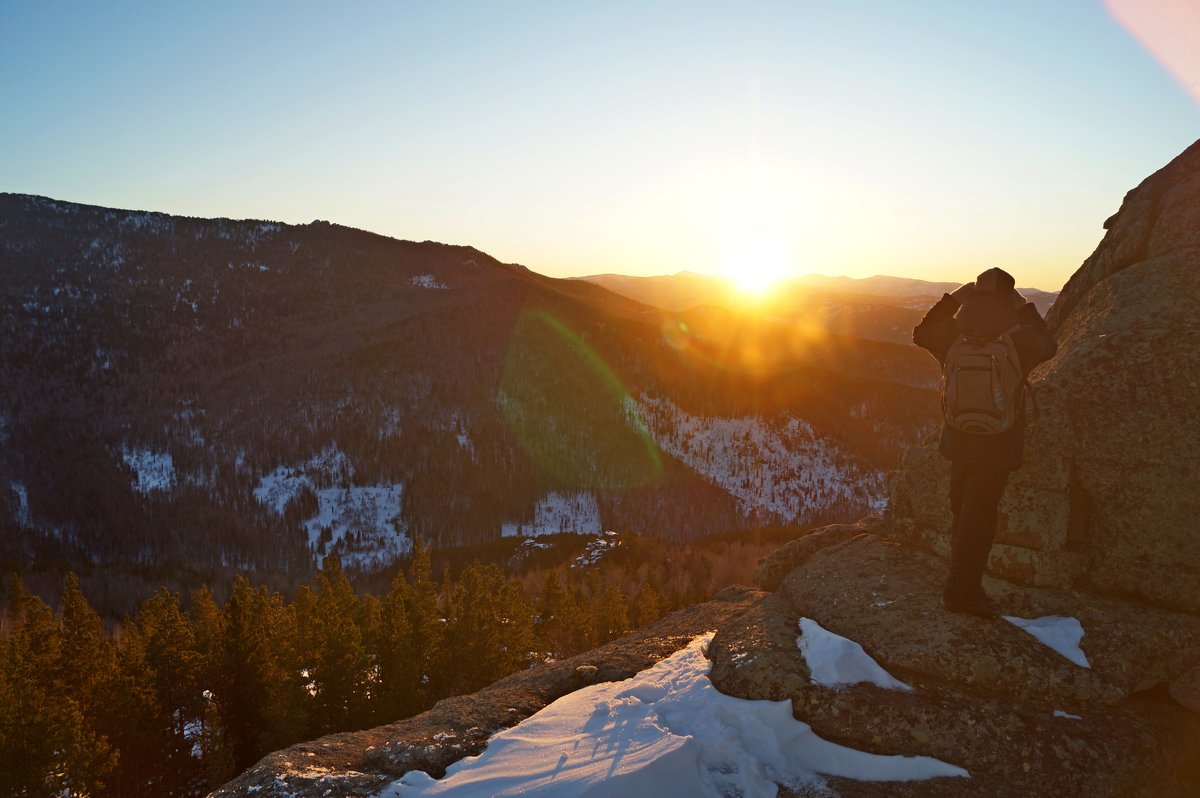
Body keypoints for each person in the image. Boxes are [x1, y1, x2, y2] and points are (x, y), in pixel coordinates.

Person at [913, 267, 1057, 618]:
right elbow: (1049, 345)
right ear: (1008, 299)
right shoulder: (1018, 337)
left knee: (963, 512)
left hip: (958, 438)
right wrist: (1023, 306)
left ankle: (961, 582)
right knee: (979, 520)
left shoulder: (952, 334)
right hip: (999, 444)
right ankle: (963, 594)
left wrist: (955, 299)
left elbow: (920, 333)